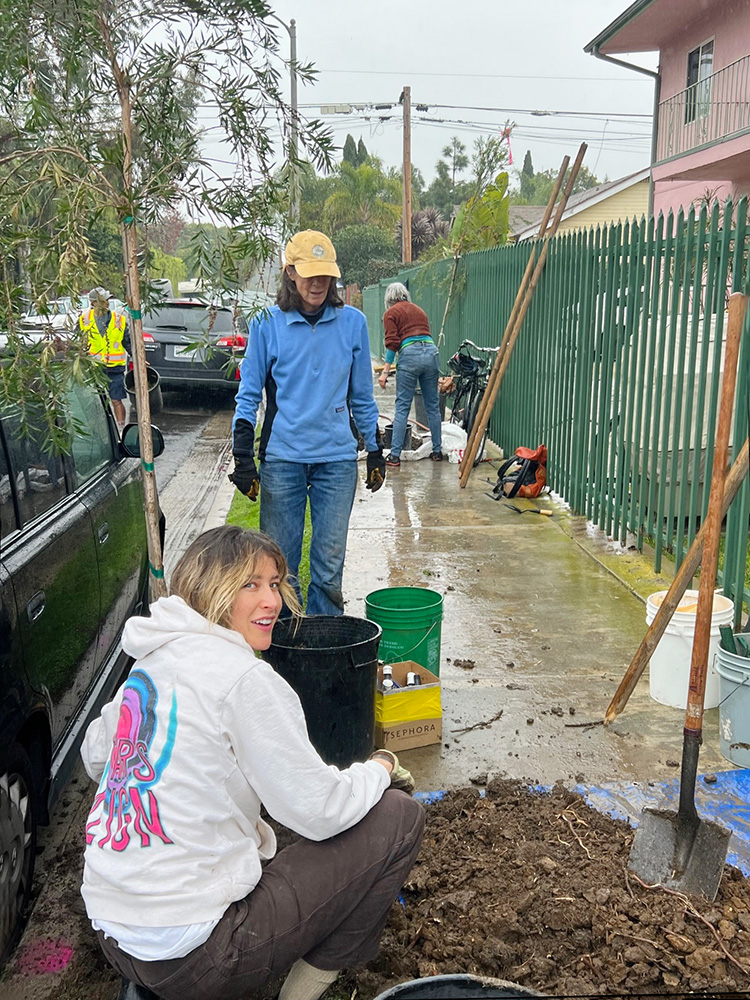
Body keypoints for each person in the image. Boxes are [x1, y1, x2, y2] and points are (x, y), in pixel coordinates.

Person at [80, 525, 424, 1000]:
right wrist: (379, 767)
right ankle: (303, 992)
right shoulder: (243, 678)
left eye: (275, 583)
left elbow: (96, 758)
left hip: (113, 933)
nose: (272, 601)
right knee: (398, 817)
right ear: (209, 589)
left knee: (264, 823)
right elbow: (320, 812)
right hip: (197, 956)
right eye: (250, 584)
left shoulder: (151, 664)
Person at [230, 230, 386, 616]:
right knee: (280, 569)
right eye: (309, 274)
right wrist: (243, 453)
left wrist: (376, 447)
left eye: (325, 275)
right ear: (290, 274)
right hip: (284, 459)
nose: (318, 283)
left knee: (329, 570)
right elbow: (249, 393)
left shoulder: (352, 324)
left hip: (336, 460)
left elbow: (362, 395)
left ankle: (325, 646)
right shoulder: (267, 323)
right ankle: (284, 647)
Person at [378, 283, 443, 467]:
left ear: (389, 299)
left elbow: (392, 343)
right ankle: (437, 450)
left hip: (410, 356)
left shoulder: (391, 313)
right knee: (432, 405)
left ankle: (395, 455)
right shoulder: (419, 311)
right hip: (431, 352)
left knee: (402, 407)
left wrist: (385, 372)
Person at [80, 287, 131, 429]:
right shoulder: (84, 320)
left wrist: (138, 357)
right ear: (94, 303)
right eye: (104, 300)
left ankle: (121, 429)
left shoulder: (118, 320)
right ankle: (98, 430)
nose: (107, 303)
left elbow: (127, 342)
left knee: (116, 400)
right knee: (96, 403)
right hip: (94, 370)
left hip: (115, 369)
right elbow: (77, 344)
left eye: (108, 300)